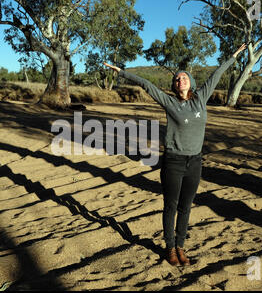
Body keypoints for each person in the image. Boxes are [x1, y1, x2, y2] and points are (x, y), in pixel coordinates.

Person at [104, 43, 247, 266]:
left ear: (191, 82)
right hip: (174, 161)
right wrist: (121, 72)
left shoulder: (201, 98)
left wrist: (234, 55)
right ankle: (170, 248)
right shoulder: (169, 102)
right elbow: (146, 84)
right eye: (178, 79)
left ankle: (181, 246)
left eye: (185, 78)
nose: (181, 80)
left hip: (195, 162)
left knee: (186, 206)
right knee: (171, 206)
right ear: (174, 84)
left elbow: (217, 74)